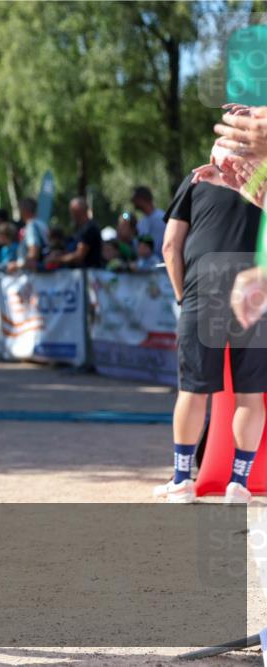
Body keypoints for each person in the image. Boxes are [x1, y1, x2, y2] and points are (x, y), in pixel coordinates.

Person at [153, 174, 265, 504]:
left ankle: (182, 479)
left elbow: (170, 244)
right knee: (250, 395)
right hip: (256, 287)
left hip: (206, 283)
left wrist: (181, 296)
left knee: (192, 391)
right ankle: (238, 484)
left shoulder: (197, 178)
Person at [47, 197, 103, 269]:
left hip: (88, 275)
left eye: (72, 211)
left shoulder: (89, 228)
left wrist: (57, 259)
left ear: (77, 211)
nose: (71, 214)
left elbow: (79, 256)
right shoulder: (81, 228)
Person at [7, 197, 48, 273]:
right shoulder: (42, 224)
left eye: (20, 209)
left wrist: (17, 265)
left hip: (32, 275)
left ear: (24, 210)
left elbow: (33, 253)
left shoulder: (31, 226)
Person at [131, 186, 166, 260]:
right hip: (144, 267)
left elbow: (158, 246)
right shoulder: (142, 222)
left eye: (134, 200)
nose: (133, 203)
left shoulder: (161, 218)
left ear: (141, 199)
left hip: (160, 266)